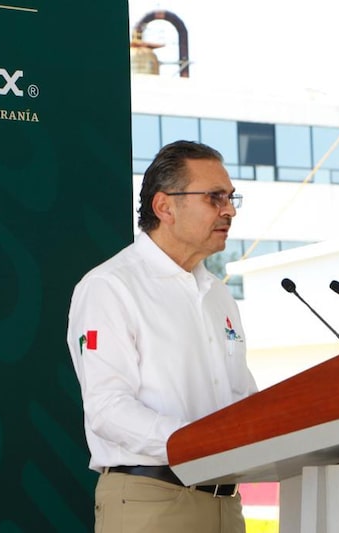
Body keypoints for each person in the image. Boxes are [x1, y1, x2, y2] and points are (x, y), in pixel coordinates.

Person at [66, 140, 258, 533]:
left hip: (226, 505)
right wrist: (198, 442)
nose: (230, 209)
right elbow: (107, 409)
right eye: (214, 197)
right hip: (152, 501)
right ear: (164, 206)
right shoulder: (111, 286)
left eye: (231, 197)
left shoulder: (218, 294)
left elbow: (241, 398)